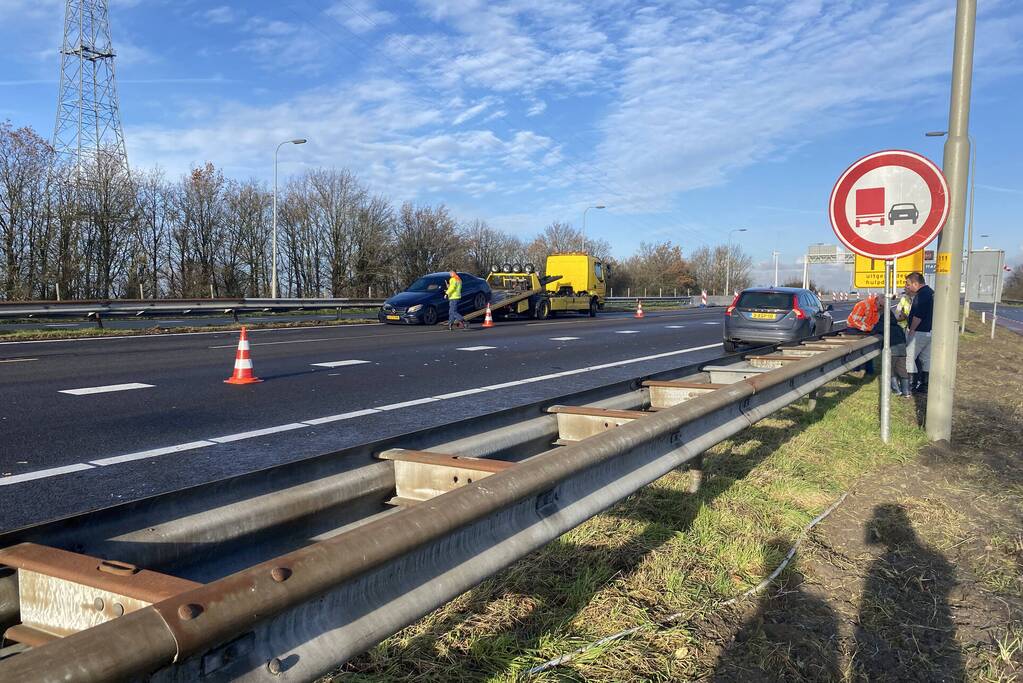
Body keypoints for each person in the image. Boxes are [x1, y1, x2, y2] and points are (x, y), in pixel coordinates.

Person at [904, 272, 933, 393]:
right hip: (930, 331)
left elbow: (918, 315)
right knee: (926, 359)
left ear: (916, 283)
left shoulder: (921, 295)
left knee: (909, 357)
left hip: (919, 332)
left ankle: (911, 385)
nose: (907, 286)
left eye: (908, 284)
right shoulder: (931, 292)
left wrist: (912, 330)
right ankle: (925, 386)